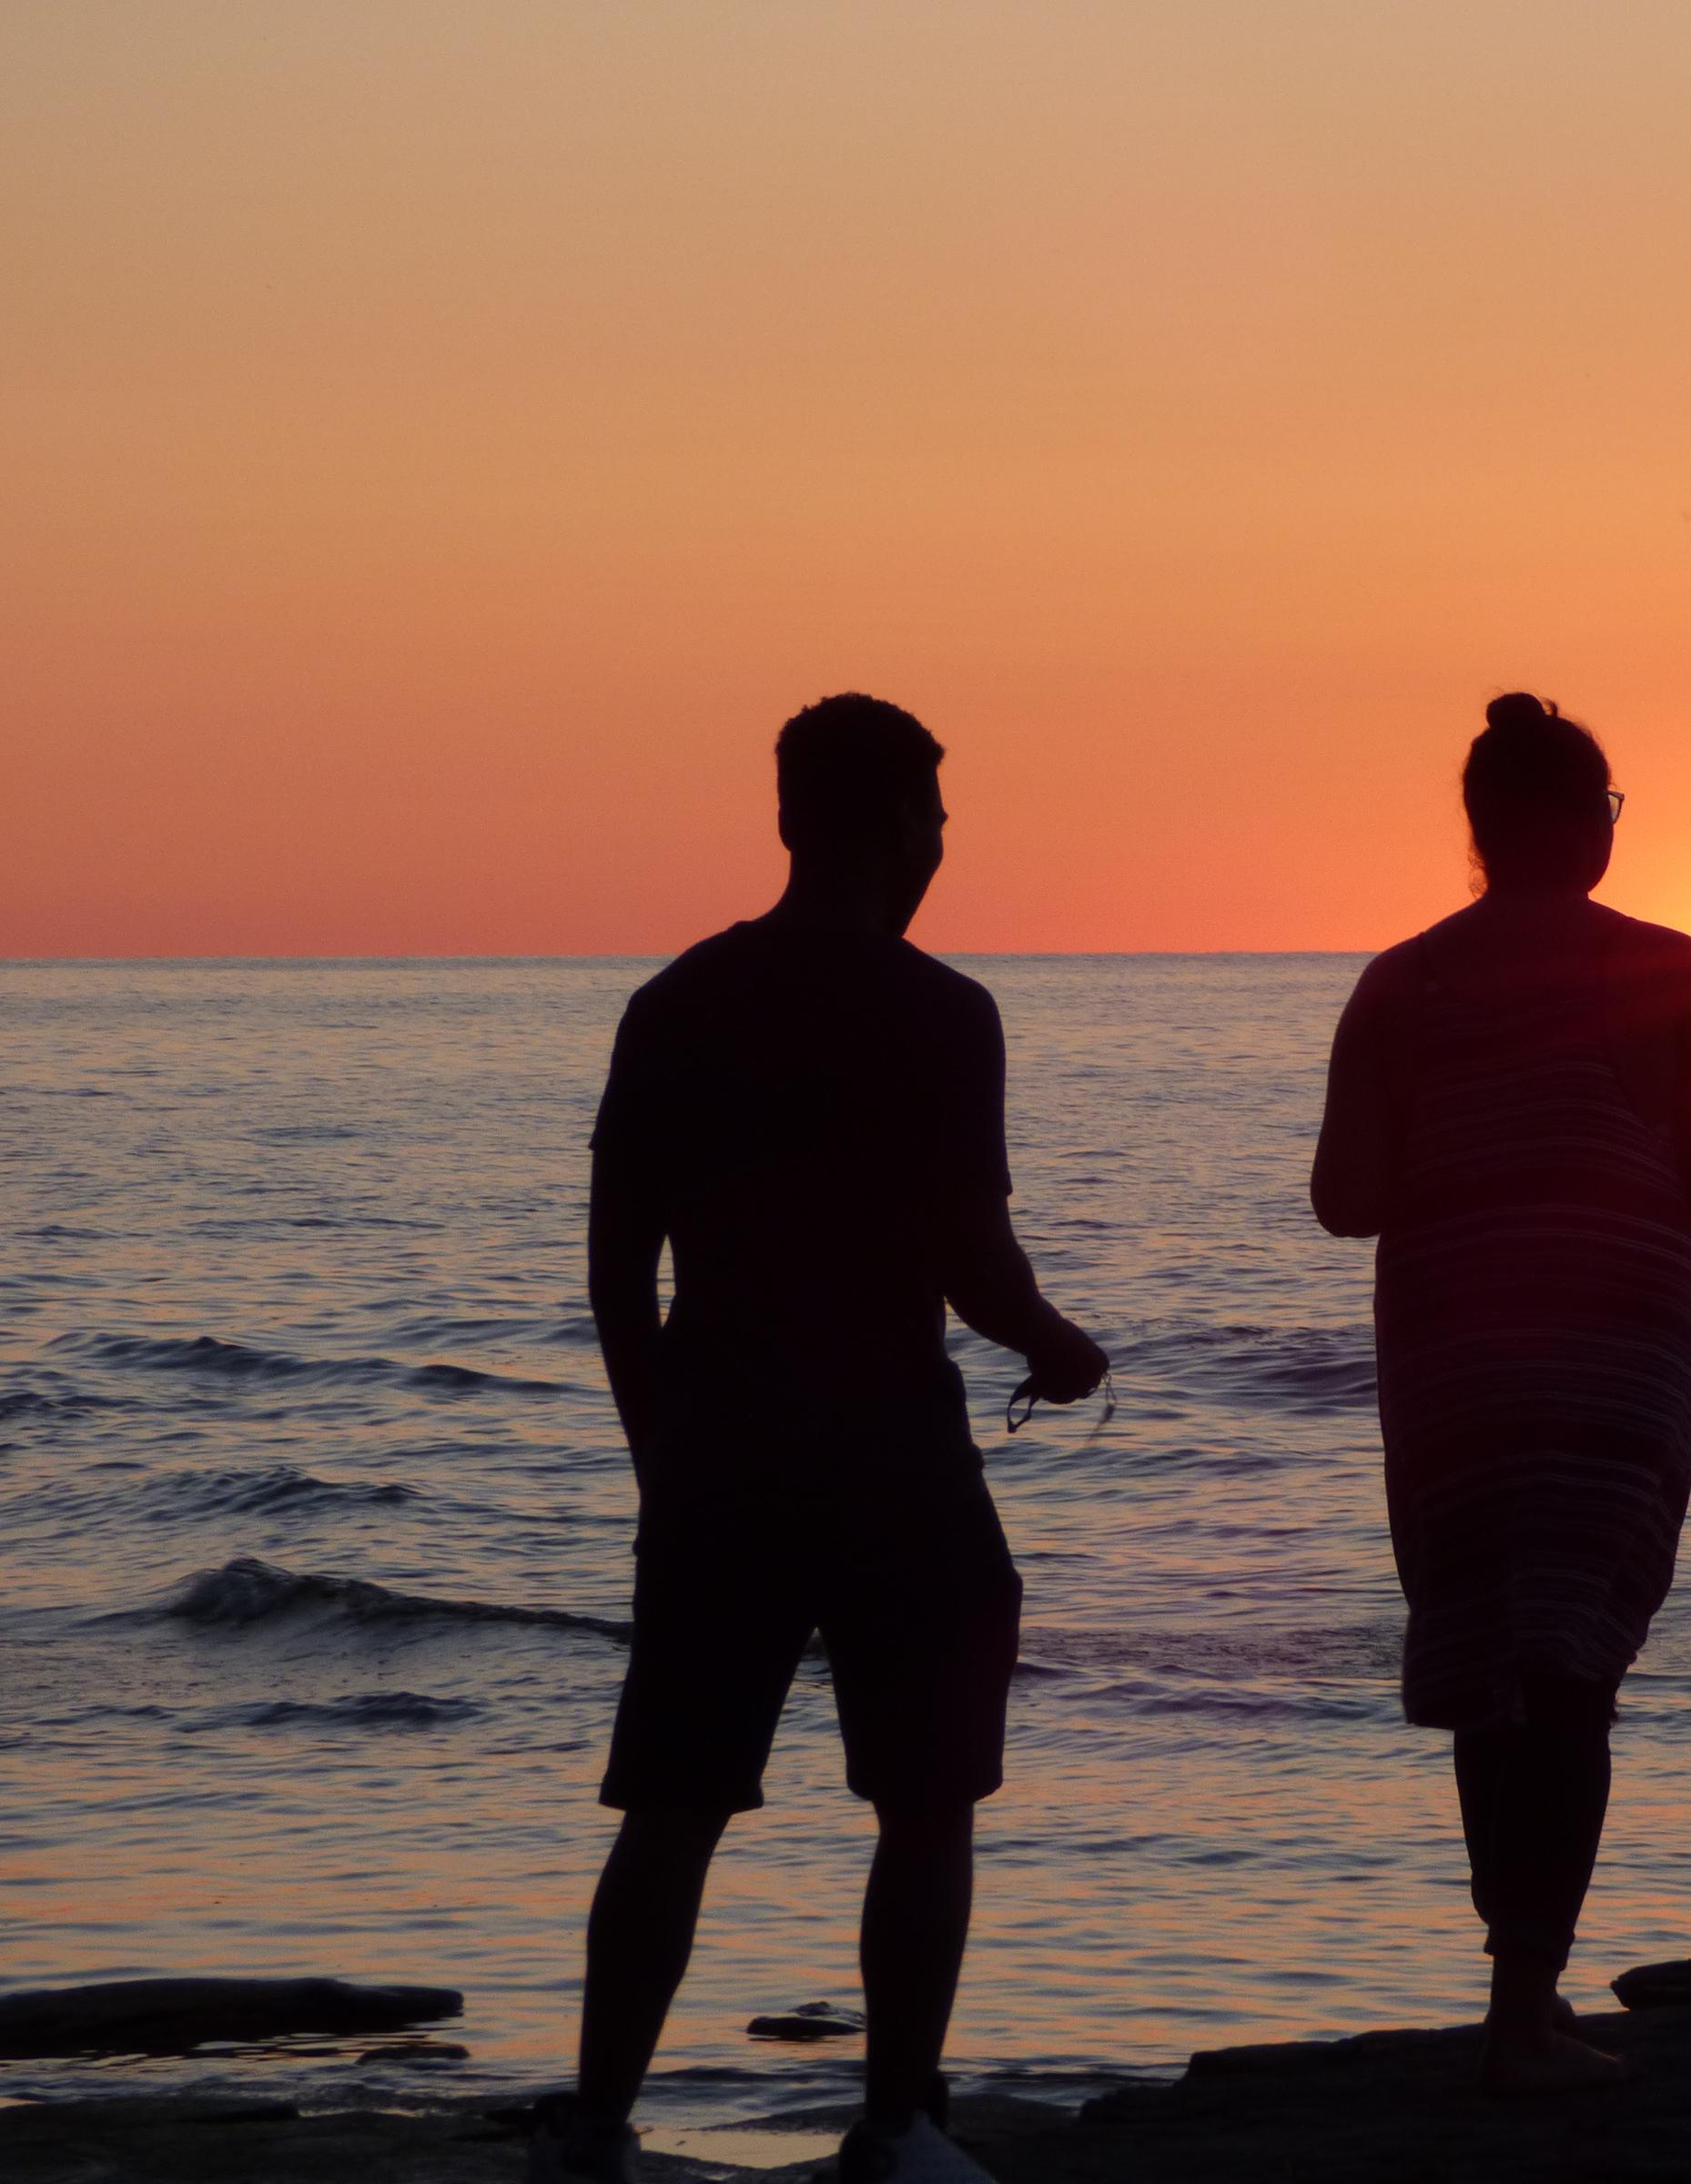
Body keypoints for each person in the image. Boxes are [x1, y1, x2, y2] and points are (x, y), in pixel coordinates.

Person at [532, 694, 1109, 2184]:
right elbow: (974, 1267)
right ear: (900, 829)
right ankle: (900, 2123)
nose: (940, 844)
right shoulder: (940, 1013)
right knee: (926, 1802)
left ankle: (596, 2124)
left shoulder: (678, 1001)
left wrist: (657, 1440)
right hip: (892, 1451)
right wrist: (1057, 1345)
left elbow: (615, 1269)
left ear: (789, 820)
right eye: (933, 815)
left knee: (672, 1803)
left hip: (718, 1439)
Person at [1310, 693, 1691, 2090]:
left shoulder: (1404, 982)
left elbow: (1346, 1198)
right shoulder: (1672, 973)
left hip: (1454, 1364)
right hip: (1609, 1356)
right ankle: (1526, 2004)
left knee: (1483, 1662)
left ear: (1479, 828)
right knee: (1571, 1668)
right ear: (1582, 825)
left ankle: (1514, 1993)